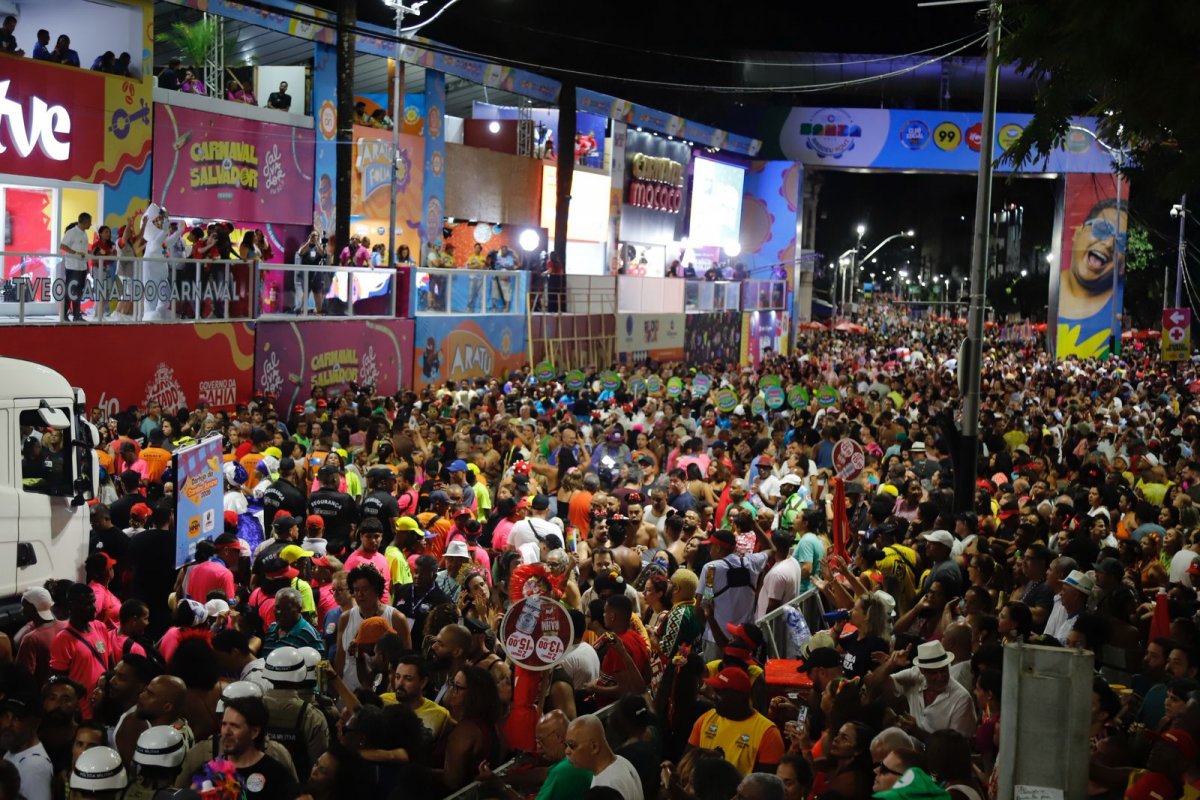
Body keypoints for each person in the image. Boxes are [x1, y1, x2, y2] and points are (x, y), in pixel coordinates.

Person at [203, 696, 297, 800]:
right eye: (224, 724)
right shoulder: (207, 772)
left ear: (254, 732)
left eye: (234, 726)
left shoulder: (277, 776)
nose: (226, 732)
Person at [565, 714, 643, 800]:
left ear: (594, 747)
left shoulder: (605, 789)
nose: (567, 751)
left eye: (572, 745)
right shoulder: (622, 761)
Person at [1, 695, 53, 800]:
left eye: (17, 718)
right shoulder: (14, 750)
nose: (8, 724)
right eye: (6, 716)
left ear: (35, 723)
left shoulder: (35, 767)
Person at [59, 212, 91, 322]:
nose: (90, 224)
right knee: (70, 291)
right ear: (85, 221)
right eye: (90, 222)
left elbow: (83, 251)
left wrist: (87, 264)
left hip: (82, 267)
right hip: (72, 267)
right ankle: (64, 315)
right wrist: (75, 253)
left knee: (78, 292)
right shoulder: (72, 232)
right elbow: (63, 246)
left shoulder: (84, 234)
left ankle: (77, 315)